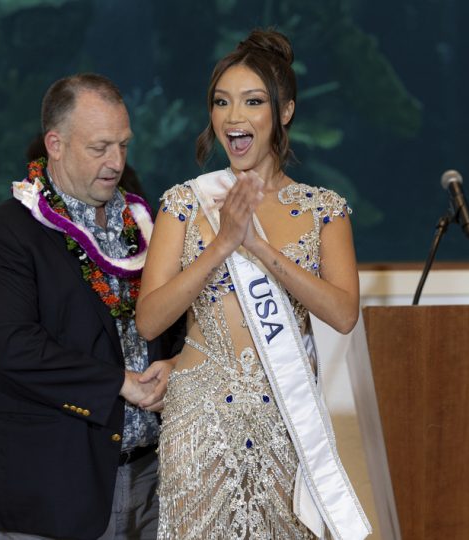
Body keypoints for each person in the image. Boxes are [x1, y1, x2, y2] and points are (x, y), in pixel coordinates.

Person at [136, 29, 371, 539]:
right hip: (199, 422)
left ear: (284, 112)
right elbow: (150, 318)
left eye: (252, 101)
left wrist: (260, 249)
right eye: (222, 103)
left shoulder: (323, 210)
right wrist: (222, 244)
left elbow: (343, 314)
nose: (233, 117)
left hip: (286, 422)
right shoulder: (186, 202)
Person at [0, 73, 184, 540]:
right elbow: (13, 347)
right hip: (54, 486)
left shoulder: (150, 225)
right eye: (100, 147)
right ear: (56, 144)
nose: (116, 162)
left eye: (124, 145)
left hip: (155, 479)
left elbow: (177, 318)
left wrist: (175, 363)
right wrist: (118, 383)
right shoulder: (4, 234)